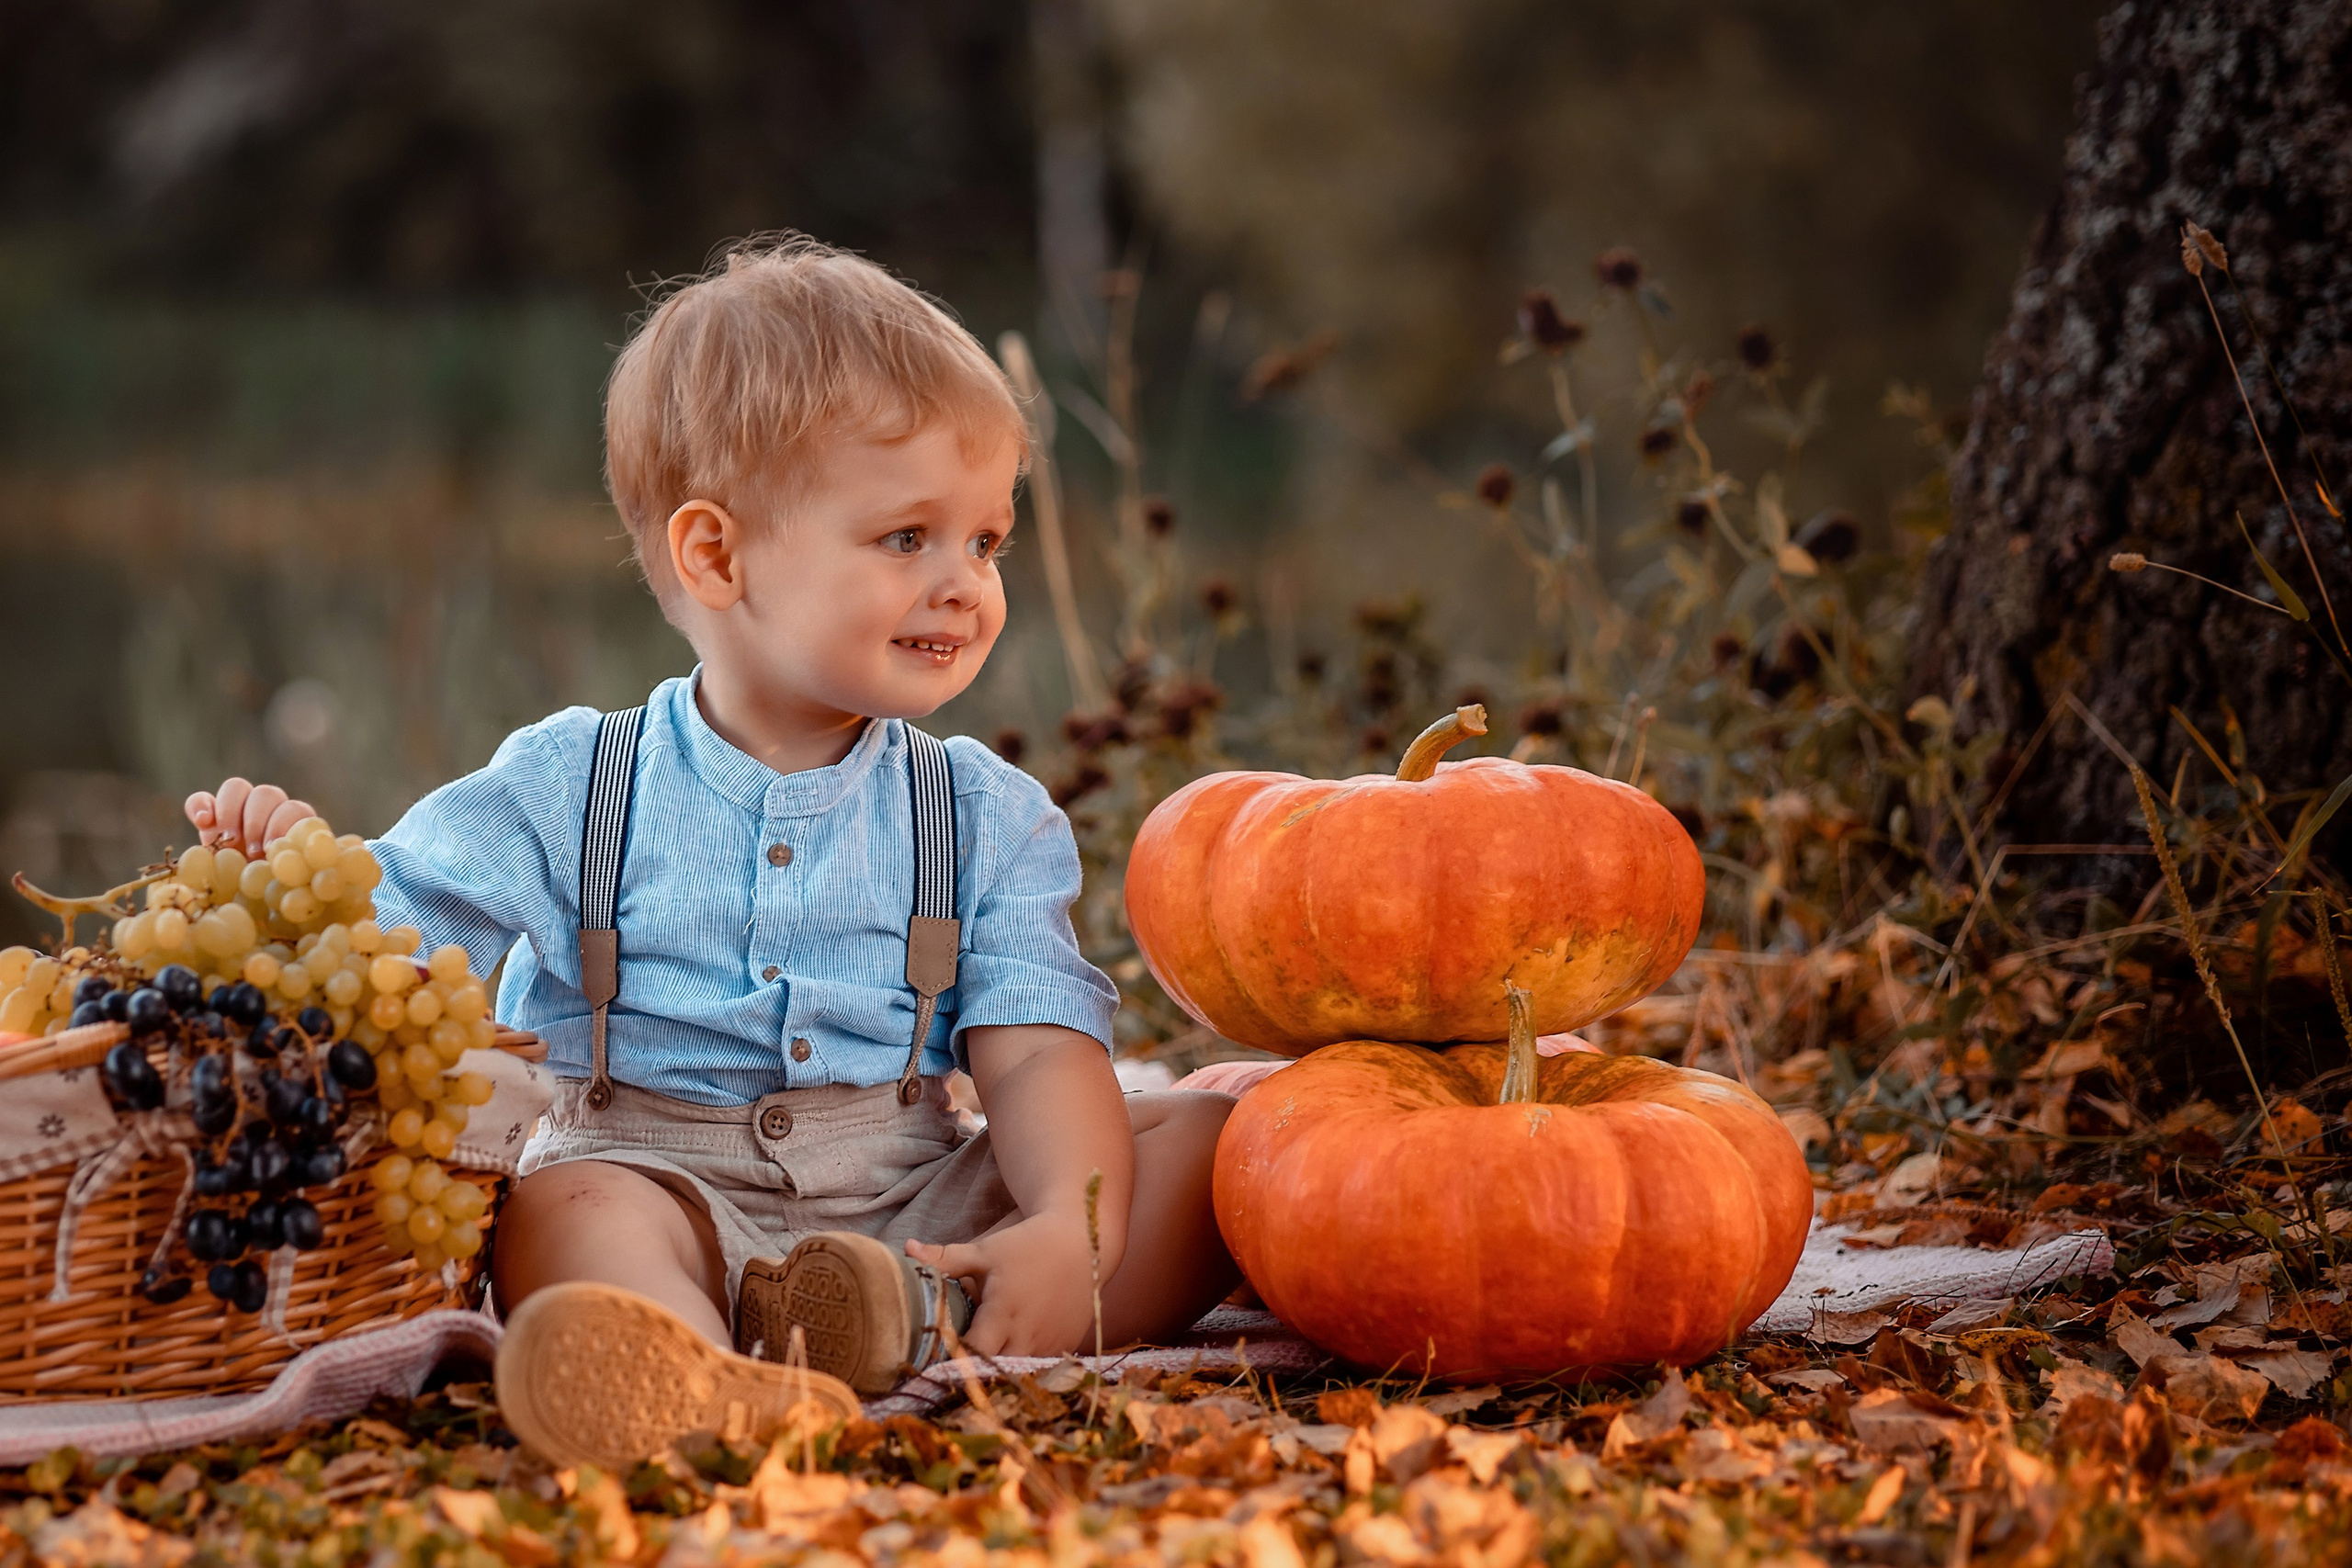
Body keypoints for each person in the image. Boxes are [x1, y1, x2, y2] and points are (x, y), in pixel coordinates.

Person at [184, 235, 1239, 1470]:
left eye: (987, 541)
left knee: (1212, 1152)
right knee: (560, 1209)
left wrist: (1074, 1221)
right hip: (655, 1173)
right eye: (908, 539)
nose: (964, 585)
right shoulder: (574, 781)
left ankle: (927, 1315)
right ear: (717, 556)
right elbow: (399, 948)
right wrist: (308, 879)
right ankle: (685, 1366)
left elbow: (1034, 1054)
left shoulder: (983, 812)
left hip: (911, 1201)